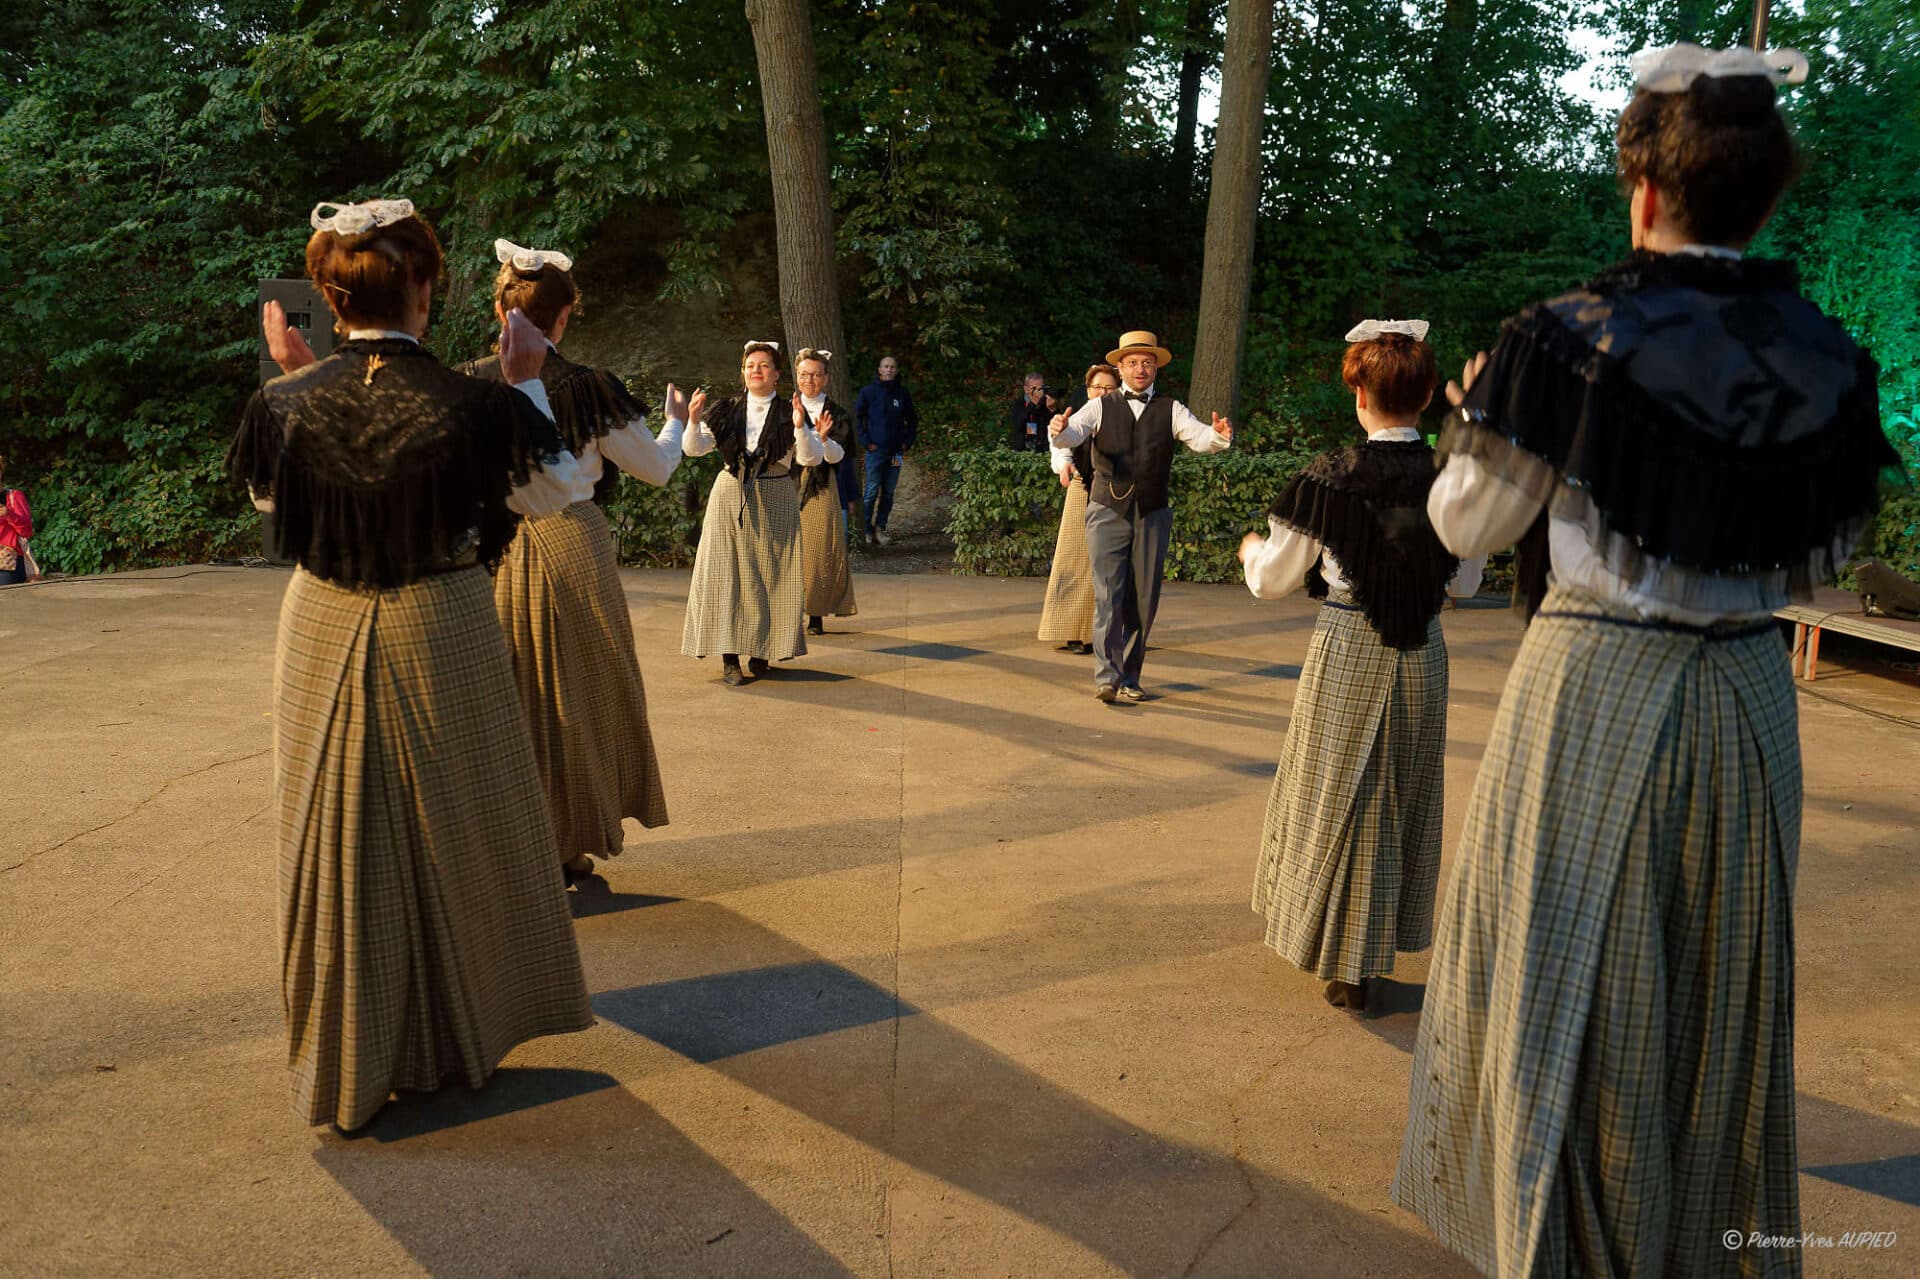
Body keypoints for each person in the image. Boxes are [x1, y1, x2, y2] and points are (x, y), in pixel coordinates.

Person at [1391, 45, 1897, 1276]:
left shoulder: (1567, 339)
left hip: (1597, 681)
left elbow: (1465, 526)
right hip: (1747, 694)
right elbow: (1821, 558)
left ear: (1643, 187)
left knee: (1577, 970)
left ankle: (1569, 1244)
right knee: (1719, 986)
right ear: (1769, 196)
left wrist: (1485, 415)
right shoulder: (1830, 359)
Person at [227, 198, 595, 1130]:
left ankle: (353, 1051)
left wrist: (301, 384)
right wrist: (524, 387)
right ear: (426, 287)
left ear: (325, 295)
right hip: (445, 617)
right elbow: (557, 493)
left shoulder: (281, 402)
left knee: (338, 825)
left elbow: (279, 512)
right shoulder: (480, 403)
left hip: (321, 620)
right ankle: (456, 1032)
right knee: (461, 829)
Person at [1238, 321, 1484, 1013]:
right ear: (1429, 393)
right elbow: (1464, 585)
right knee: (1401, 795)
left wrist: (1252, 549)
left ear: (1358, 394)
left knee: (1337, 793)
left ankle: (1339, 955)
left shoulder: (1330, 477)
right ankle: (1368, 953)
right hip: (1422, 651)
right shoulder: (1452, 480)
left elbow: (1273, 580)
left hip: (1347, 642)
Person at [463, 238, 690, 886]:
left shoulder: (468, 383)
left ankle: (516, 839)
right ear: (564, 316)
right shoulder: (589, 388)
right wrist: (673, 425)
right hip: (573, 545)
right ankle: (570, 838)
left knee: (511, 695)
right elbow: (654, 468)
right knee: (584, 695)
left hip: (494, 552)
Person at [1048, 330, 1233, 702]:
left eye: (1147, 362)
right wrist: (1059, 431)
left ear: (1156, 368)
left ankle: (1131, 677)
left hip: (1152, 511)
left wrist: (1218, 436)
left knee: (1143, 598)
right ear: (1120, 368)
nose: (1140, 368)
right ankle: (1107, 677)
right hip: (1105, 509)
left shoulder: (1171, 408)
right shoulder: (1101, 406)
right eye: (1132, 362)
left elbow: (1199, 437)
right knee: (1107, 594)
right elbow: (1074, 433)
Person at [681, 341, 834, 685]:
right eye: (750, 365)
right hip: (730, 495)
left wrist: (799, 426)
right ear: (743, 372)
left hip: (776, 492)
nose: (756, 370)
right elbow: (694, 449)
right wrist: (692, 420)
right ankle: (730, 657)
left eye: (764, 365)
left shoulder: (790, 412)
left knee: (771, 575)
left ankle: (763, 650)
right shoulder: (726, 409)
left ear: (777, 374)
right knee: (726, 575)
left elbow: (810, 458)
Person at [1036, 364, 1119, 654]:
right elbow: (1059, 443)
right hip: (1081, 487)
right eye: (1097, 388)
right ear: (1087, 390)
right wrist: (1064, 465)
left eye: (1109, 388)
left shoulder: (1124, 417)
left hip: (1114, 494)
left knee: (1105, 565)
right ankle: (1070, 630)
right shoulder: (1079, 416)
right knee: (1073, 561)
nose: (1102, 393)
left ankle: (1100, 632)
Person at [794, 347, 857, 633]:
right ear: (797, 376)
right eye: (804, 374)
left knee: (818, 549)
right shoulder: (784, 408)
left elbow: (839, 457)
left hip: (820, 483)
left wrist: (822, 439)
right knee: (785, 547)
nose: (810, 380)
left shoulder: (837, 413)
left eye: (816, 374)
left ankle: (815, 612)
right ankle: (785, 610)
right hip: (785, 480)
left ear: (826, 377)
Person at [854, 355, 917, 546]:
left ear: (896, 370)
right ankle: (866, 530)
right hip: (875, 452)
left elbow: (912, 420)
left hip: (896, 454)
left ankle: (881, 529)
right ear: (879, 370)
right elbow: (858, 418)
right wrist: (866, 442)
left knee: (888, 492)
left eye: (893, 367)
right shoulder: (868, 392)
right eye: (886, 366)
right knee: (871, 490)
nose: (889, 370)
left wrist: (907, 442)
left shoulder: (902, 394)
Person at [0, 454, 36, 585]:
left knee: (8, 602)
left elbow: (27, 532)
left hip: (7, 563)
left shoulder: (14, 497)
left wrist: (9, 514)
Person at [1008, 371, 1049, 452]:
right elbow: (1017, 424)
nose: (1037, 392)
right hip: (1022, 451)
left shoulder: (1046, 402)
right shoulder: (1019, 403)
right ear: (1026, 389)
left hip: (1042, 450)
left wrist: (1053, 409)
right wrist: (1032, 403)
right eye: (1034, 388)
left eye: (1040, 388)